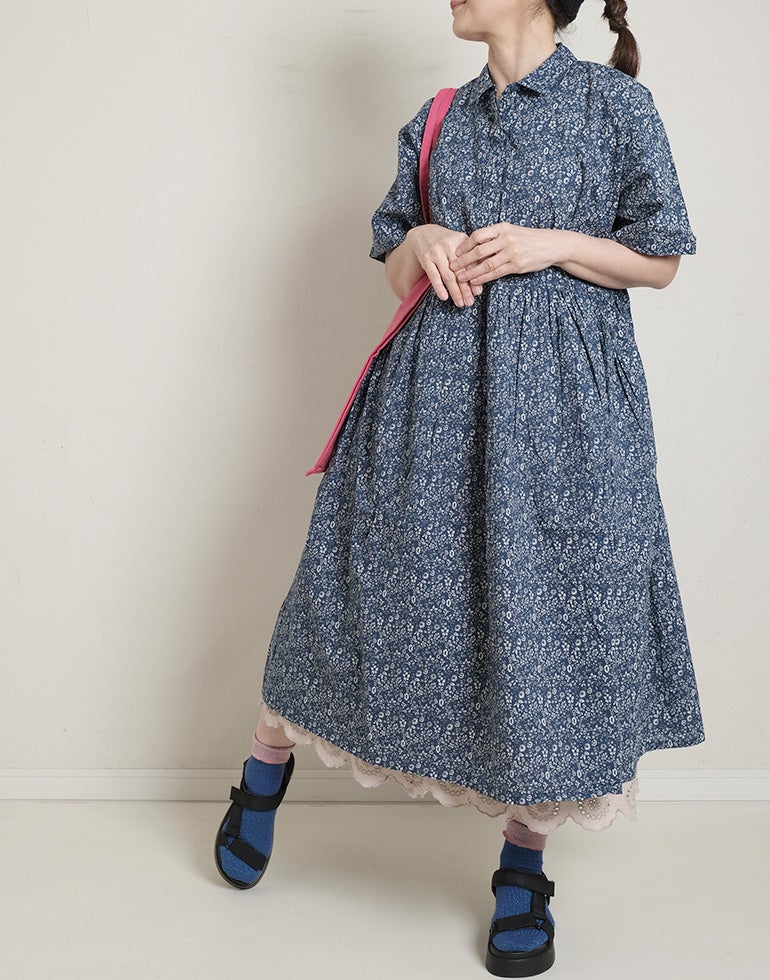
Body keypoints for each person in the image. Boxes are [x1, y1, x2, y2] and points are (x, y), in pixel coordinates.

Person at [214, 1, 706, 976]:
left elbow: (660, 257)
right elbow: (392, 258)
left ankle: (523, 866)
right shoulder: (437, 117)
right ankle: (264, 765)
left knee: (550, 619)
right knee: (355, 588)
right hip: (426, 401)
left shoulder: (615, 107)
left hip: (565, 416)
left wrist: (551, 245)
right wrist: (425, 241)